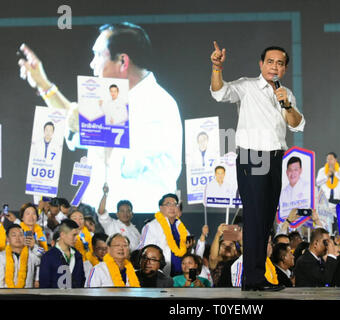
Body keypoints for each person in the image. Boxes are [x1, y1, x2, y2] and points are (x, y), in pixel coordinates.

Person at [18, 22, 182, 214]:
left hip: (138, 223)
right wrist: (44, 86)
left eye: (98, 55)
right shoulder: (111, 102)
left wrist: (91, 125)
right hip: (100, 221)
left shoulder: (157, 104)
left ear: (123, 62)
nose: (92, 64)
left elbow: (127, 164)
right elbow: (74, 122)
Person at [210, 42, 305, 291]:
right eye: (270, 61)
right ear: (261, 64)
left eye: (280, 63)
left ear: (284, 69)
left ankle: (256, 277)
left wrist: (286, 104)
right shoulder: (246, 86)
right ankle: (251, 279)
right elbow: (220, 92)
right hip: (252, 157)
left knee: (265, 221)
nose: (275, 66)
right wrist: (217, 67)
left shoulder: (286, 93)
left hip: (275, 159)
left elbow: (296, 124)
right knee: (253, 219)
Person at [138, 194, 203, 277]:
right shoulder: (151, 226)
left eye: (175, 204)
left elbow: (189, 255)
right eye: (168, 204)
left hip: (181, 277)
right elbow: (144, 251)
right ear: (161, 208)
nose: (172, 207)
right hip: (160, 276)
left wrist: (189, 249)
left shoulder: (183, 229)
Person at [39, 219, 85, 288]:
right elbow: (44, 285)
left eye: (77, 235)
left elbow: (81, 281)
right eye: (74, 235)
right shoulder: (48, 257)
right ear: (62, 235)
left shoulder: (78, 256)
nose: (76, 239)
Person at [97, 184, 141, 251]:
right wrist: (105, 194)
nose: (125, 213)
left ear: (132, 214)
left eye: (128, 211)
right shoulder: (111, 224)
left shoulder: (135, 231)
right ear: (117, 214)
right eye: (122, 211)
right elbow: (101, 212)